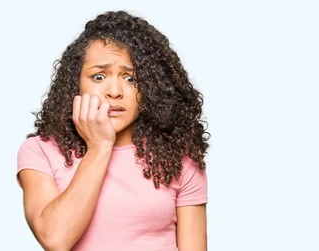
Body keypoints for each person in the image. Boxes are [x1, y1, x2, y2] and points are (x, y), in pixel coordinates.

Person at [15, 10, 210, 251]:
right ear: (76, 83)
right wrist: (99, 147)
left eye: (131, 79)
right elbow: (55, 238)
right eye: (99, 76)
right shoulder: (40, 151)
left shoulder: (177, 157)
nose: (115, 91)